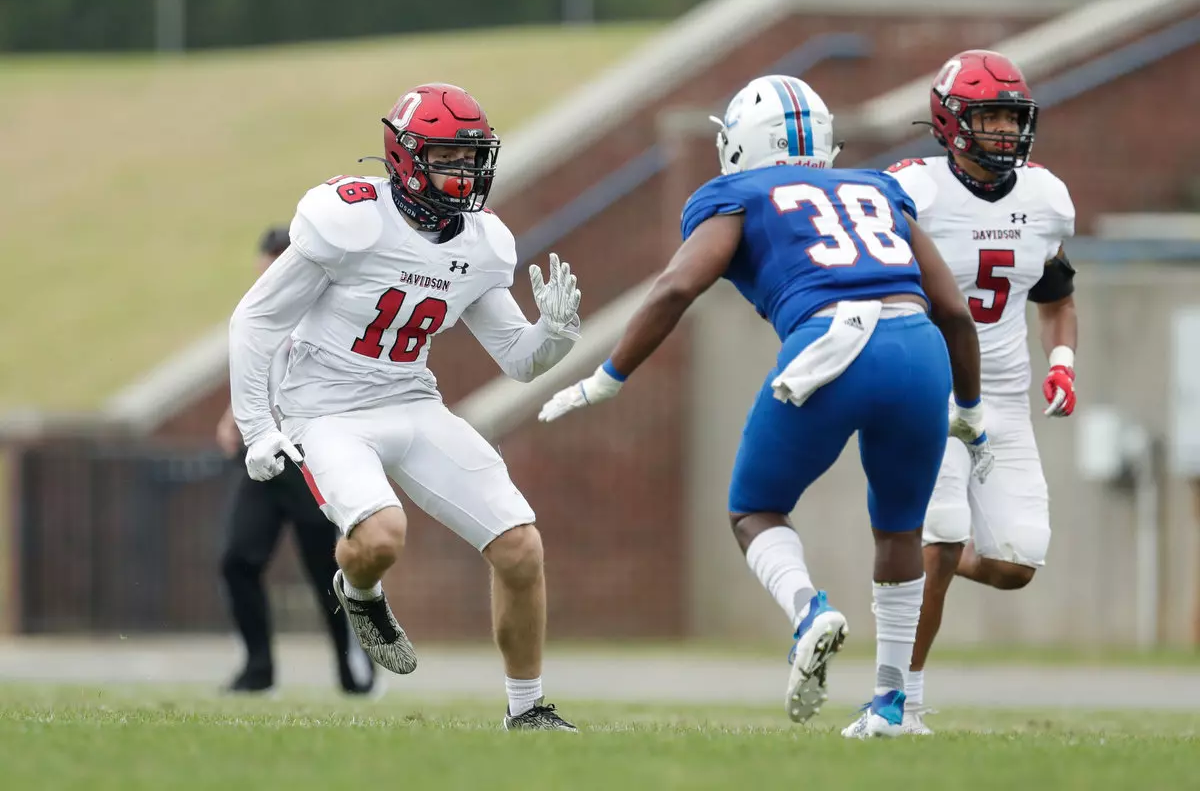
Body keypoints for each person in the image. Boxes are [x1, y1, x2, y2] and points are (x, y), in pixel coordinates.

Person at [538, 74, 992, 738]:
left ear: (742, 143)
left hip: (834, 343)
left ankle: (810, 611)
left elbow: (675, 288)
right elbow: (953, 309)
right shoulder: (875, 187)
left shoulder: (738, 194)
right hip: (919, 346)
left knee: (754, 508)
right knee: (898, 531)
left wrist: (609, 376)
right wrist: (973, 411)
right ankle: (892, 705)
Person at [228, 83, 582, 731]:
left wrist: (553, 336)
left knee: (521, 547)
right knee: (382, 536)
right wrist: (257, 426)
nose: (464, 172)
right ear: (406, 155)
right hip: (326, 408)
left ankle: (527, 711)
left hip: (410, 399)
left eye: (472, 158)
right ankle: (360, 592)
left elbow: (517, 358)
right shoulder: (351, 217)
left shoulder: (482, 241)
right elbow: (256, 319)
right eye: (448, 157)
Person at [865, 50, 1077, 736]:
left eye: (1011, 119)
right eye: (988, 117)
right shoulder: (911, 192)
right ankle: (899, 702)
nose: (1003, 134)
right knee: (945, 531)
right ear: (950, 121)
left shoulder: (1045, 198)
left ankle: (911, 572)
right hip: (930, 391)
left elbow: (1056, 292)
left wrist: (1064, 360)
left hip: (1004, 400)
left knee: (1017, 562)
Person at [217, 226, 376, 696]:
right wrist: (234, 416)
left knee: (326, 574)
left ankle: (355, 669)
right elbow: (259, 368)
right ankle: (258, 668)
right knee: (237, 559)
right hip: (263, 456)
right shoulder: (263, 314)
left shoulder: (325, 312)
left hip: (308, 458)